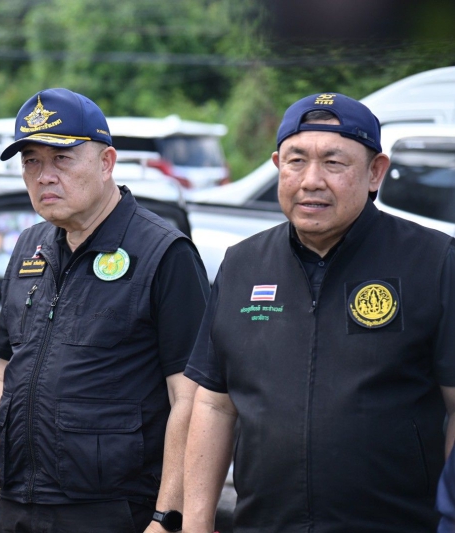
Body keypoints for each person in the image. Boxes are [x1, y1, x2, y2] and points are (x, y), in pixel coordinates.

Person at [182, 93, 455, 532]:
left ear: (375, 172)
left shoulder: (434, 261)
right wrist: (195, 523)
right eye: (296, 161)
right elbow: (214, 404)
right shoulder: (242, 264)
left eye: (334, 163)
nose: (311, 180)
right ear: (278, 166)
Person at [0, 88, 210, 533]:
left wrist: (168, 517)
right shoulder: (28, 247)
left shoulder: (164, 253)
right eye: (31, 162)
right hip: (18, 504)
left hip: (111, 511)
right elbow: (4, 376)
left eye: (61, 159)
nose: (44, 176)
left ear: (106, 162)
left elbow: (190, 397)